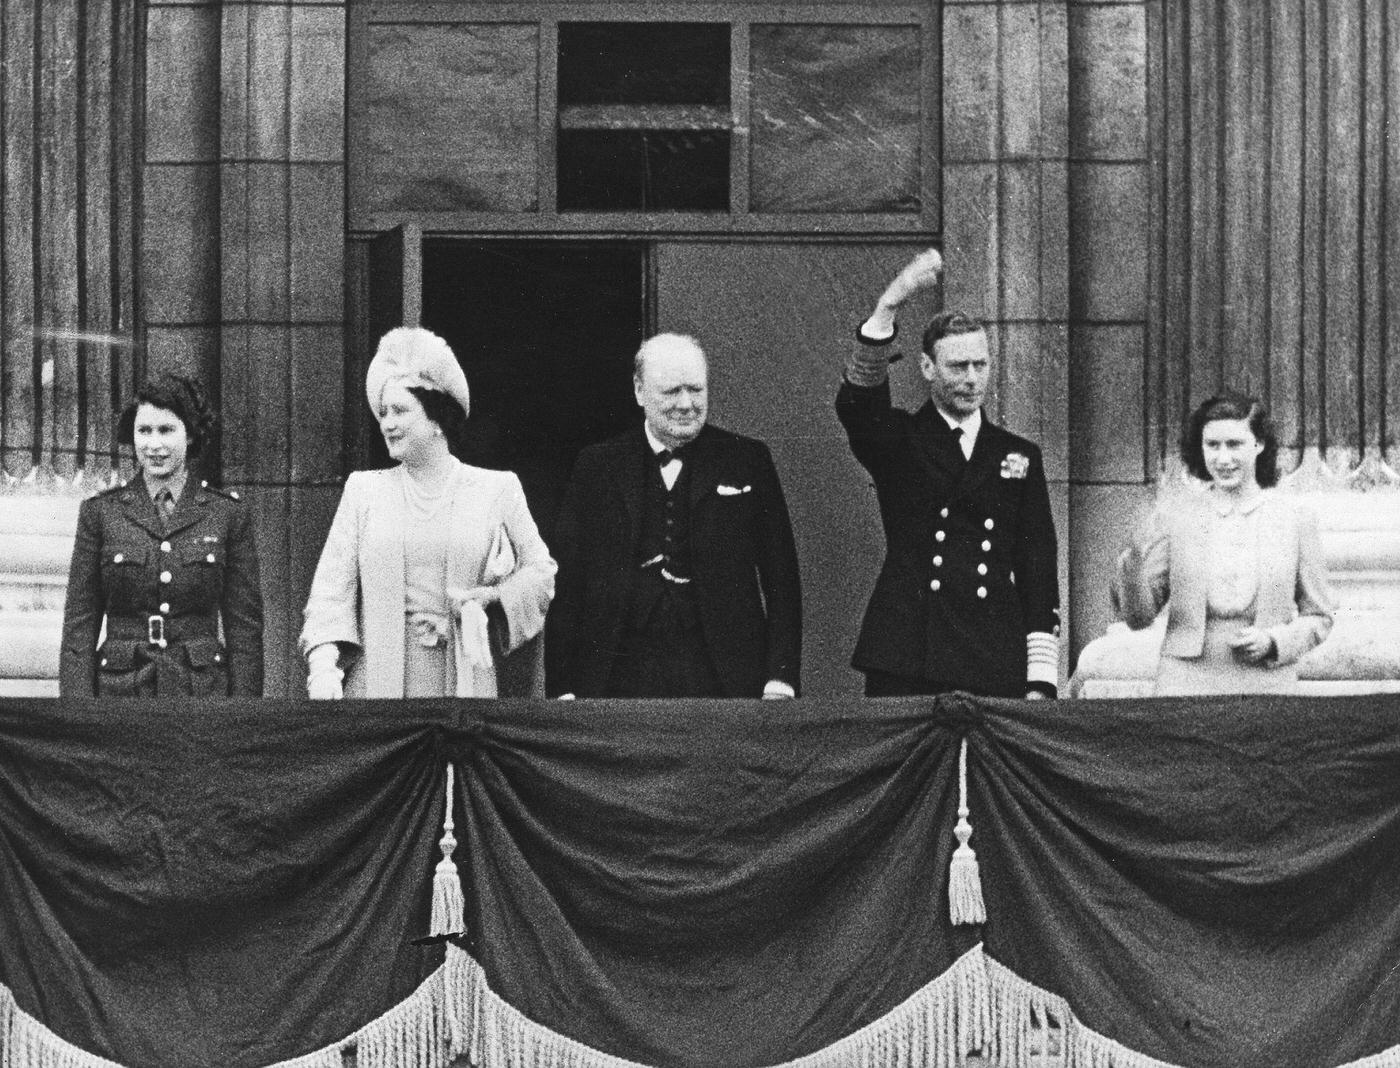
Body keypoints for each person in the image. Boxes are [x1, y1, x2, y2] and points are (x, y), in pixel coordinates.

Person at [837, 249, 1061, 698]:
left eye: (981, 365)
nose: (972, 379)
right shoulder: (899, 441)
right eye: (958, 367)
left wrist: (1041, 677)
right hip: (909, 651)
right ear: (927, 368)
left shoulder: (1018, 455)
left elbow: (1037, 567)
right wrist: (888, 307)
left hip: (993, 653)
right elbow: (858, 409)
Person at [300, 327, 555, 699]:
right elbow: (329, 593)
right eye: (383, 412)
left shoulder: (497, 489)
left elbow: (541, 573)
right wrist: (323, 669)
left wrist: (492, 597)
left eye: (400, 411)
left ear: (437, 419)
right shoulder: (363, 491)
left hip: (468, 684)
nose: (387, 423)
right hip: (377, 688)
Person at [547, 333, 802, 699]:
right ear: (639, 391)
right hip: (616, 674)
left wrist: (781, 677)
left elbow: (782, 580)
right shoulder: (597, 466)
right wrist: (562, 686)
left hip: (725, 675)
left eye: (696, 390)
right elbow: (568, 582)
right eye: (671, 392)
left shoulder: (747, 460)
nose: (687, 404)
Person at [1113, 392, 1335, 695]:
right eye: (1212, 445)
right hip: (1185, 684)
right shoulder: (1178, 517)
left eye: (1234, 444)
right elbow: (1138, 619)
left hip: (1266, 686)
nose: (1223, 459)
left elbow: (1319, 617)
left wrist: (1275, 642)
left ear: (1259, 444)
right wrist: (1134, 559)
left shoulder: (1295, 520)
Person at [59, 373, 264, 697]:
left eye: (167, 430)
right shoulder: (100, 513)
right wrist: (77, 717)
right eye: (144, 431)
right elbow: (79, 628)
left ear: (191, 435)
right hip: (121, 696)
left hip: (201, 696)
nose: (154, 445)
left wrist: (242, 720)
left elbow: (245, 635)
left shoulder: (226, 515)